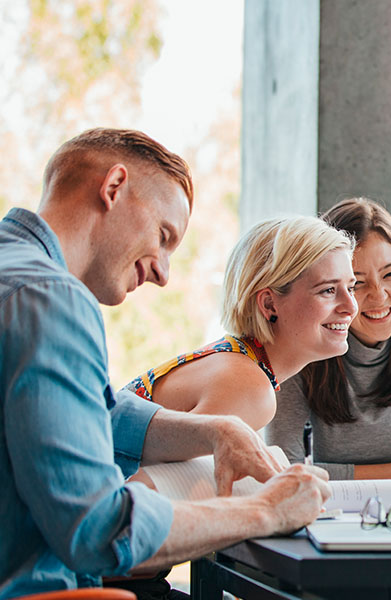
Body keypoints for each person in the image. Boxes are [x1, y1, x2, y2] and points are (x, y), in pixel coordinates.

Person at [0, 128, 332, 599]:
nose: (162, 272)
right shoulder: (52, 298)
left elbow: (94, 410)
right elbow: (101, 532)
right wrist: (267, 510)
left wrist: (215, 431)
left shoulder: (14, 274)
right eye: (164, 236)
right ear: (113, 187)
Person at [266, 197, 391, 485]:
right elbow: (286, 472)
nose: (379, 296)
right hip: (319, 514)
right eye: (357, 283)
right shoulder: (300, 344)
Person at [122, 216, 358, 431]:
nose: (351, 307)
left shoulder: (239, 361)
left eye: (351, 288)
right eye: (328, 290)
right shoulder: (249, 389)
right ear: (269, 304)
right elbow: (150, 477)